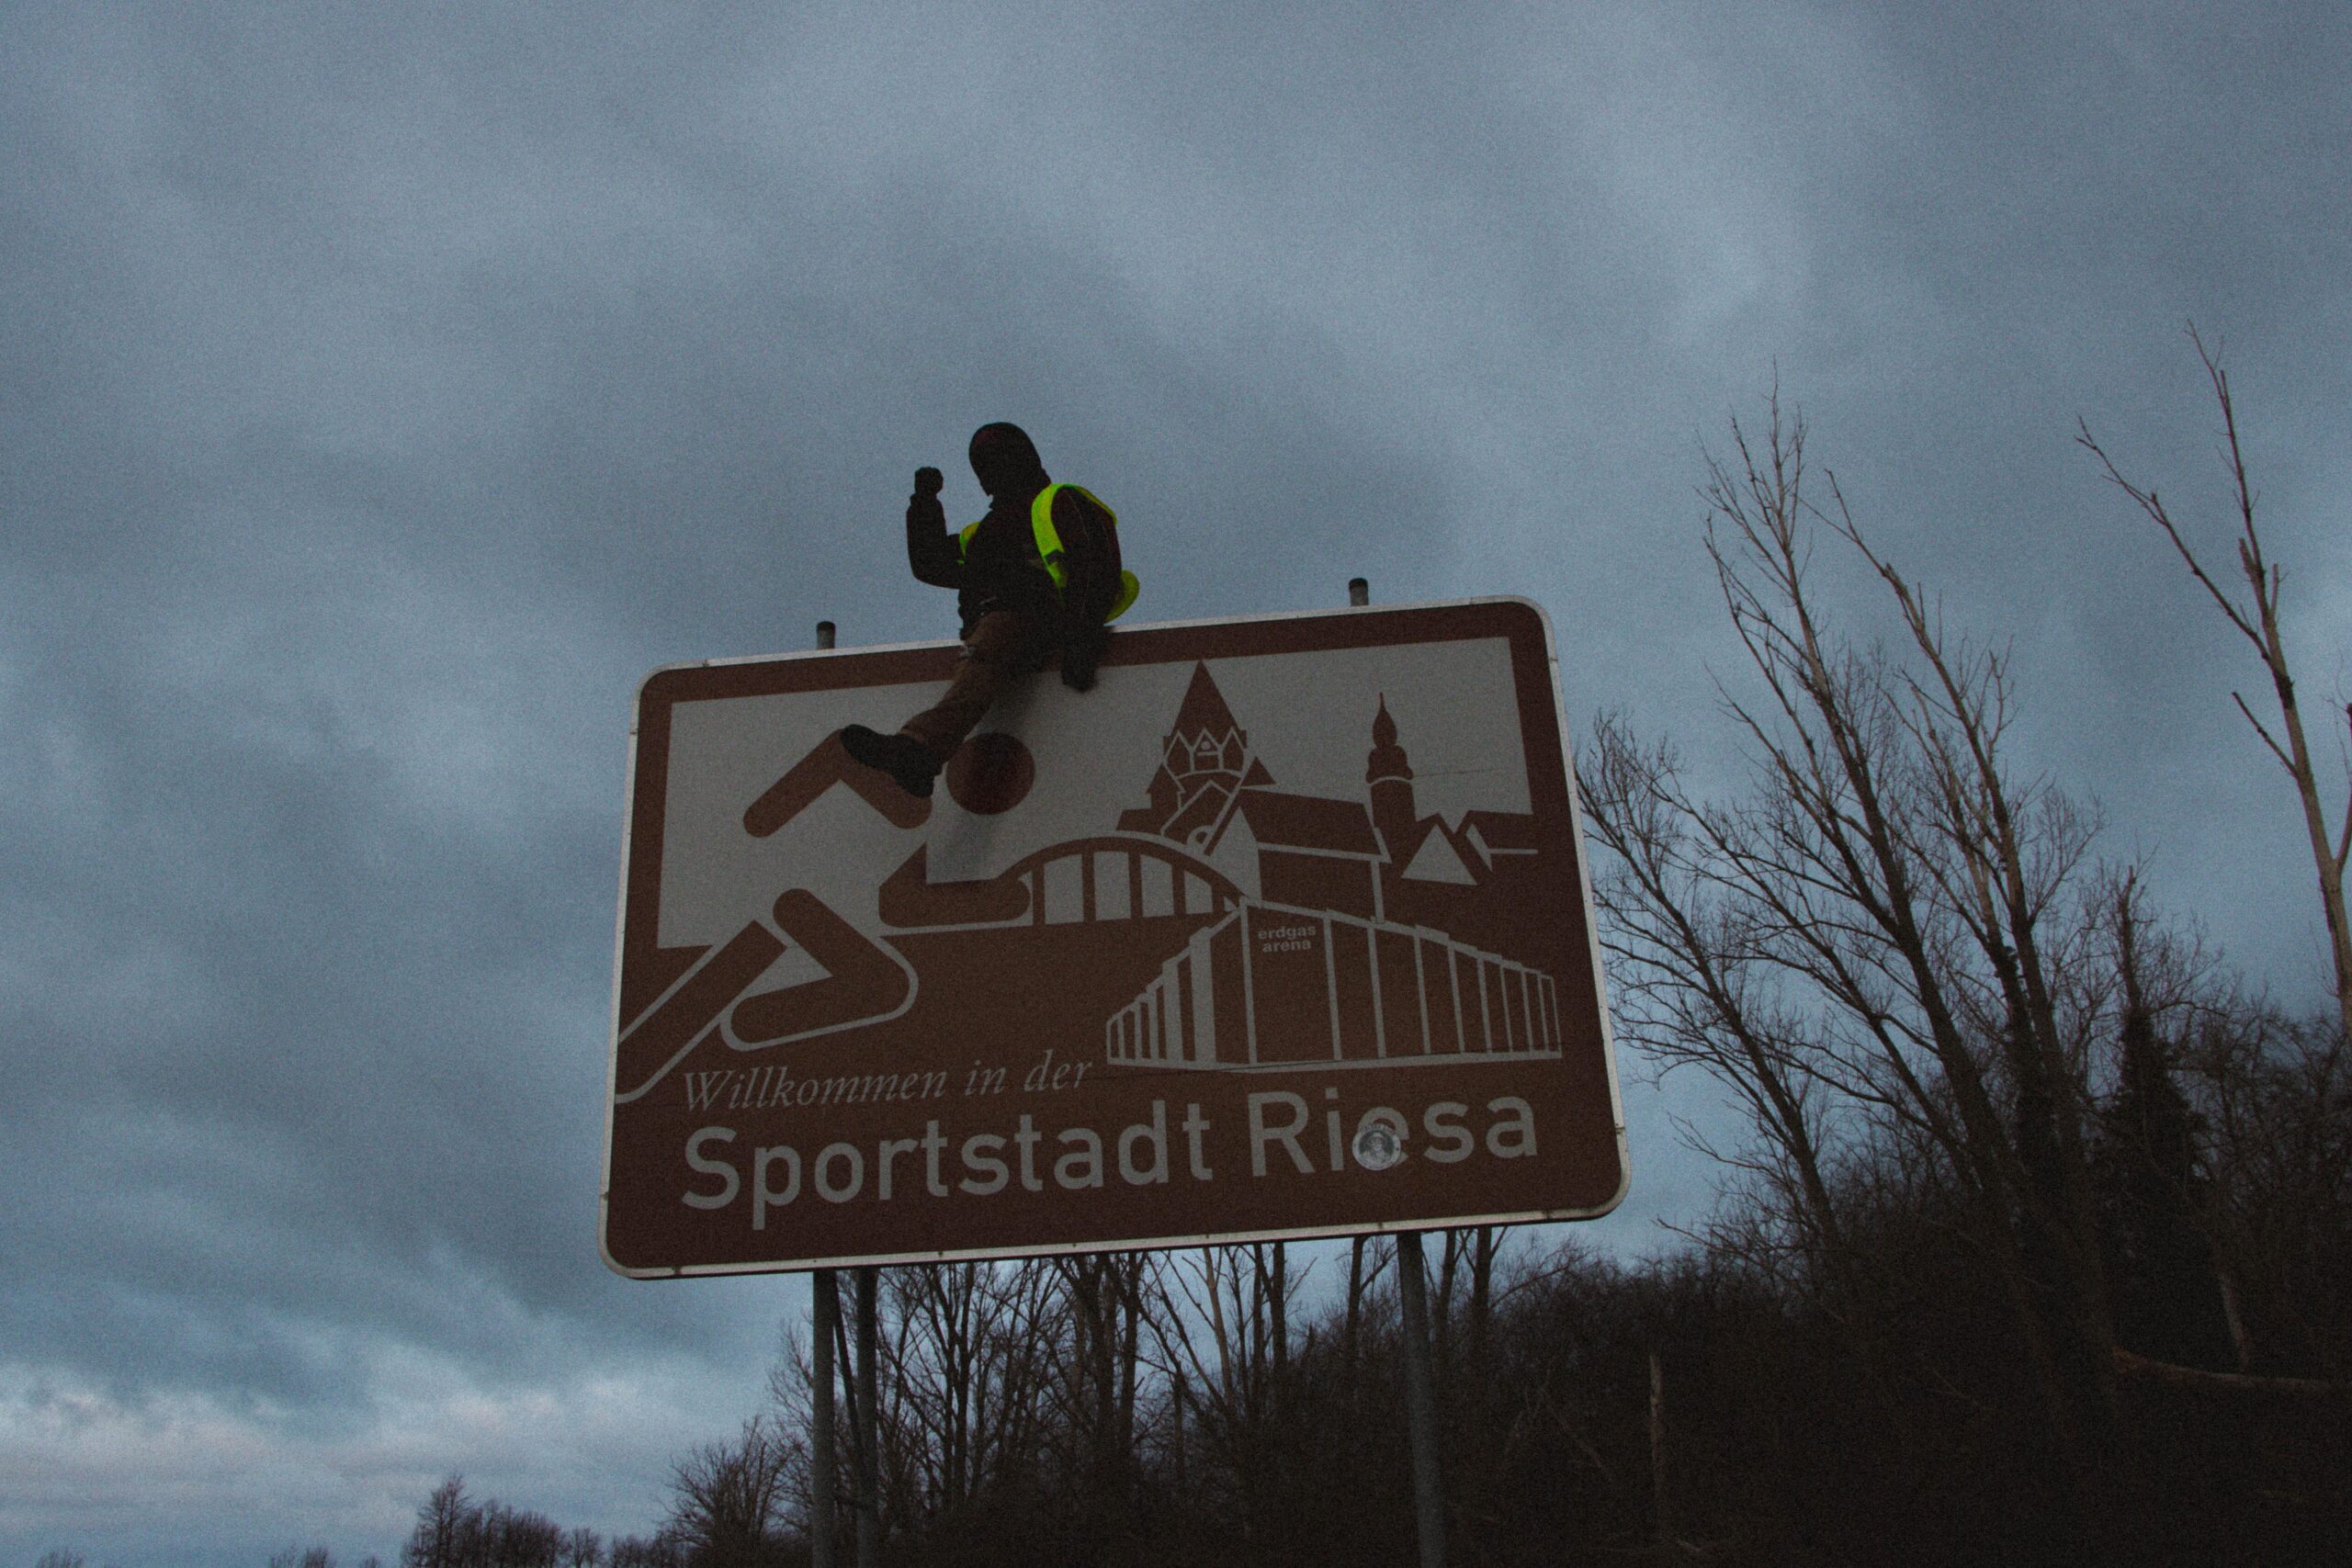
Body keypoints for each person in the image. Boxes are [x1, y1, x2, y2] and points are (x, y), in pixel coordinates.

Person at [841, 423, 1136, 798]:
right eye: (983, 467)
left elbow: (1094, 563)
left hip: (1039, 624)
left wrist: (1081, 637)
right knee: (982, 653)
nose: (991, 474)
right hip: (991, 632)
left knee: (989, 646)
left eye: (997, 462)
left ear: (1022, 459)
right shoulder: (984, 534)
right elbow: (931, 565)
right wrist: (926, 505)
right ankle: (915, 755)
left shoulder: (1057, 503)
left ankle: (917, 749)